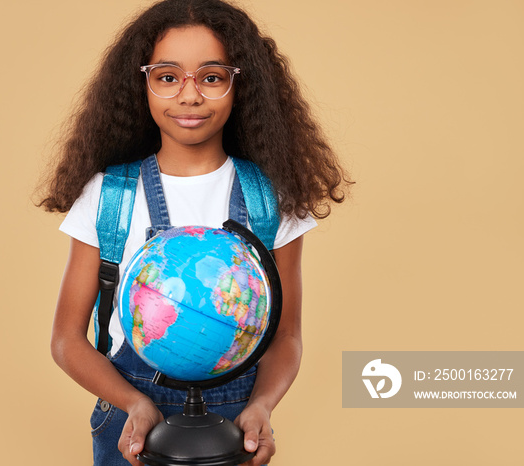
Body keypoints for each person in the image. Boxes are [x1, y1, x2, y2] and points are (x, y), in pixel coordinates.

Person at [38, 0, 351, 464]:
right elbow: (66, 338)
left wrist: (261, 406)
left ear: (238, 85)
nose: (189, 96)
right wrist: (135, 404)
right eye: (167, 77)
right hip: (129, 420)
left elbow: (285, 337)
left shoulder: (270, 198)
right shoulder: (109, 195)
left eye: (211, 76)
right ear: (141, 85)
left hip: (232, 425)